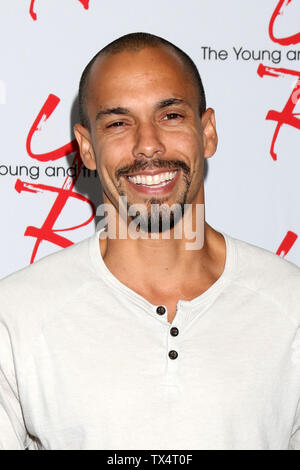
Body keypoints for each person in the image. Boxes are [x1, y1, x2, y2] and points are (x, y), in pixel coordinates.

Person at [1, 32, 300, 451]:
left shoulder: (290, 303)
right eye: (119, 123)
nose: (148, 145)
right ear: (87, 149)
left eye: (171, 116)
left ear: (208, 131)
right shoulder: (15, 316)